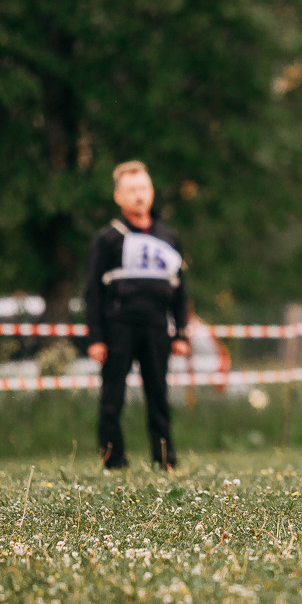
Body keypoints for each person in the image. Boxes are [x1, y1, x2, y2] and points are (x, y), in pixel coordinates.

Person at [84, 161, 191, 470]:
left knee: (159, 395)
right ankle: (113, 459)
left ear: (152, 192)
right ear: (119, 196)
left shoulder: (168, 237)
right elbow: (92, 291)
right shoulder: (107, 240)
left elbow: (180, 290)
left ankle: (164, 459)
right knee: (112, 397)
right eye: (131, 190)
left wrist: (180, 333)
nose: (139, 196)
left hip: (157, 327)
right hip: (118, 326)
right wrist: (95, 338)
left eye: (143, 188)